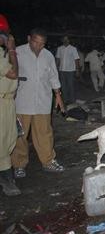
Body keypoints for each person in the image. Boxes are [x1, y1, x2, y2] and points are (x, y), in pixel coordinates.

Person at [11, 28, 65, 178]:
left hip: (43, 101)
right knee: (20, 135)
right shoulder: (17, 52)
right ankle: (19, 164)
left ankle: (48, 161)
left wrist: (58, 96)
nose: (38, 46)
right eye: (36, 42)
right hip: (22, 101)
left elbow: (53, 76)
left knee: (45, 133)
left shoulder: (48, 56)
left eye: (42, 44)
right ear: (29, 39)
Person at [0, 14, 21, 195]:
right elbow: (13, 73)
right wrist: (13, 50)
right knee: (2, 141)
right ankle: (7, 181)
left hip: (7, 101)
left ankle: (7, 179)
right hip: (1, 102)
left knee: (8, 139)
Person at [55, 36, 80, 104]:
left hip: (71, 70)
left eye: (67, 39)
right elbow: (58, 59)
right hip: (62, 70)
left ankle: (72, 100)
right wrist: (55, 69)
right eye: (64, 39)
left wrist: (77, 70)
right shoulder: (59, 48)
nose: (65, 40)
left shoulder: (73, 48)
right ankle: (65, 100)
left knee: (70, 85)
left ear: (69, 40)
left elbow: (76, 59)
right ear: (62, 40)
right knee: (63, 86)